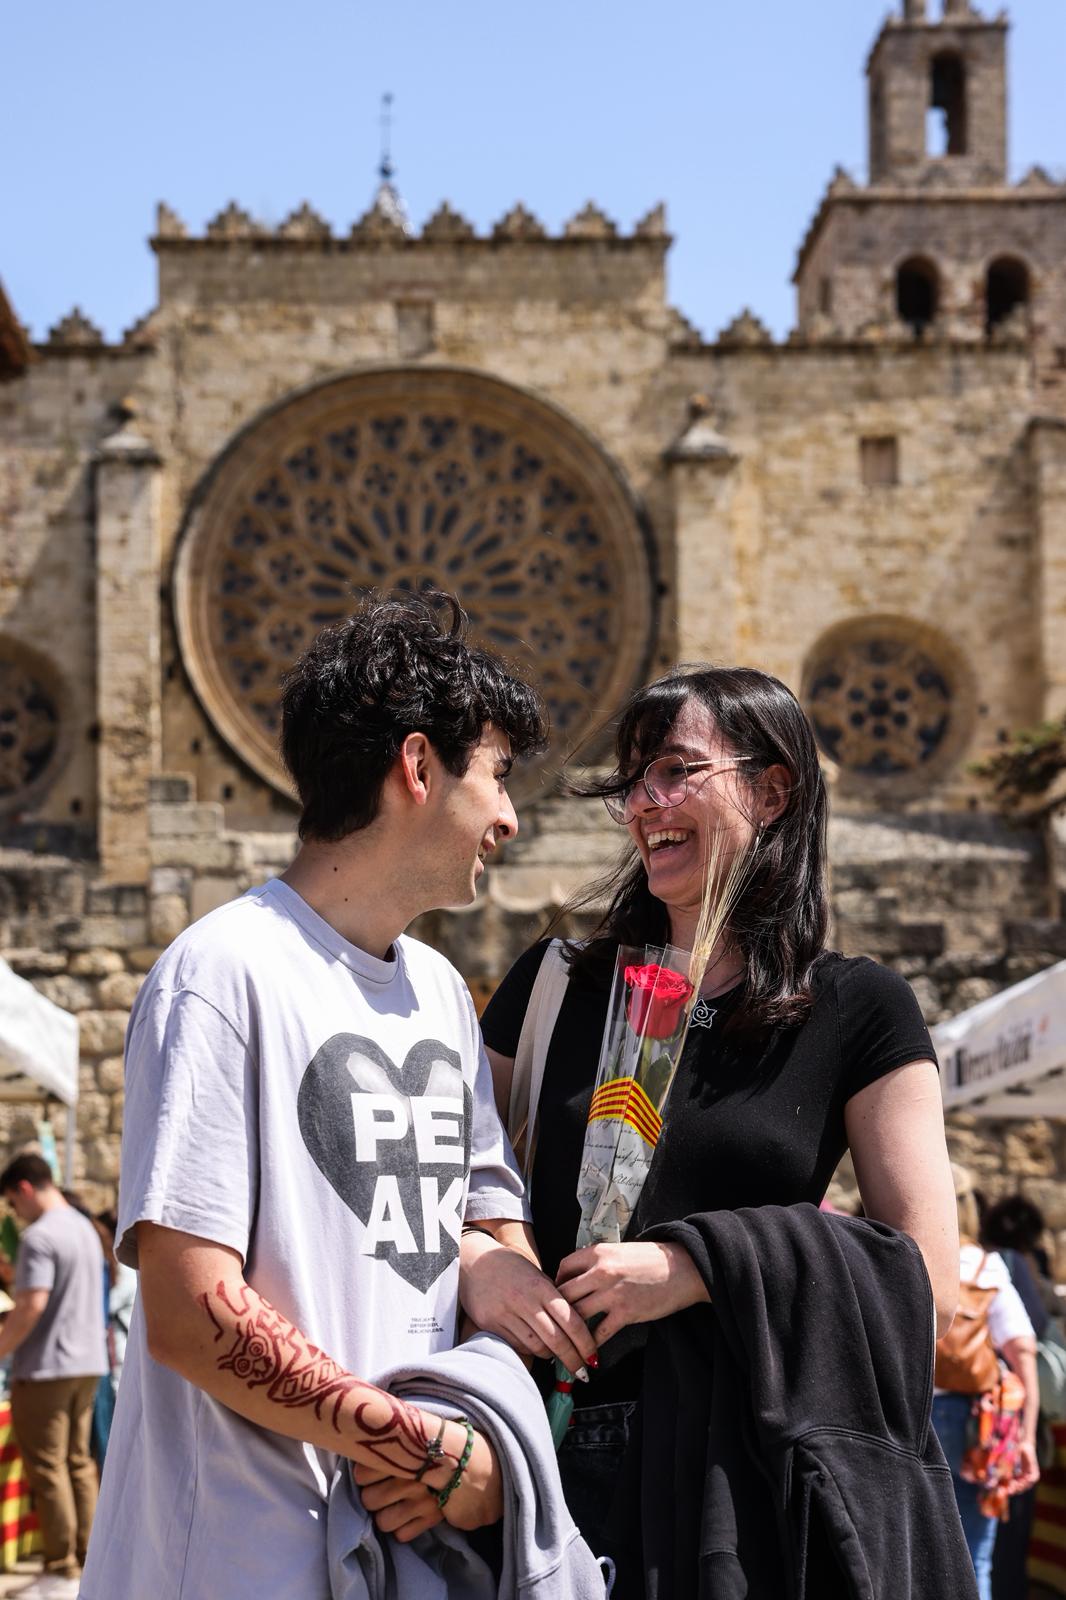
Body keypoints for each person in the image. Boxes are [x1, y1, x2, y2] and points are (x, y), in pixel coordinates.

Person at [79, 593, 550, 1600]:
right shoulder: (224, 973)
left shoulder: (440, 998)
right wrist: (424, 1450)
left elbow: (490, 1236)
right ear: (418, 768)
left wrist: (480, 1434)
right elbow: (189, 1308)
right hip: (238, 1561)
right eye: (497, 777)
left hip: (404, 1559)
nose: (509, 818)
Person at [468, 664, 960, 1594]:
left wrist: (700, 1269)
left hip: (738, 1476)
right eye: (633, 782)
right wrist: (479, 1261)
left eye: (675, 772)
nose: (644, 804)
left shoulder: (859, 1008)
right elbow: (445, 1185)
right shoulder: (556, 984)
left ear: (772, 792)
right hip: (530, 1457)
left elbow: (925, 1282)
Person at [0, 1153, 107, 1589]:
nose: (13, 1212)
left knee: (48, 1468)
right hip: (88, 1364)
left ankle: (61, 1564)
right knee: (78, 1463)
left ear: (24, 1189)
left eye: (11, 1202)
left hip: (46, 1368)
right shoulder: (84, 1228)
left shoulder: (40, 1236)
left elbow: (31, 1305)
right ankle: (89, 1556)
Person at [932, 1165, 1039, 1600]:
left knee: (913, 1549)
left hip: (907, 1414)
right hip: (975, 1422)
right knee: (974, 1554)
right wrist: (1027, 1437)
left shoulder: (900, 1254)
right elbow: (1023, 1353)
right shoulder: (987, 1266)